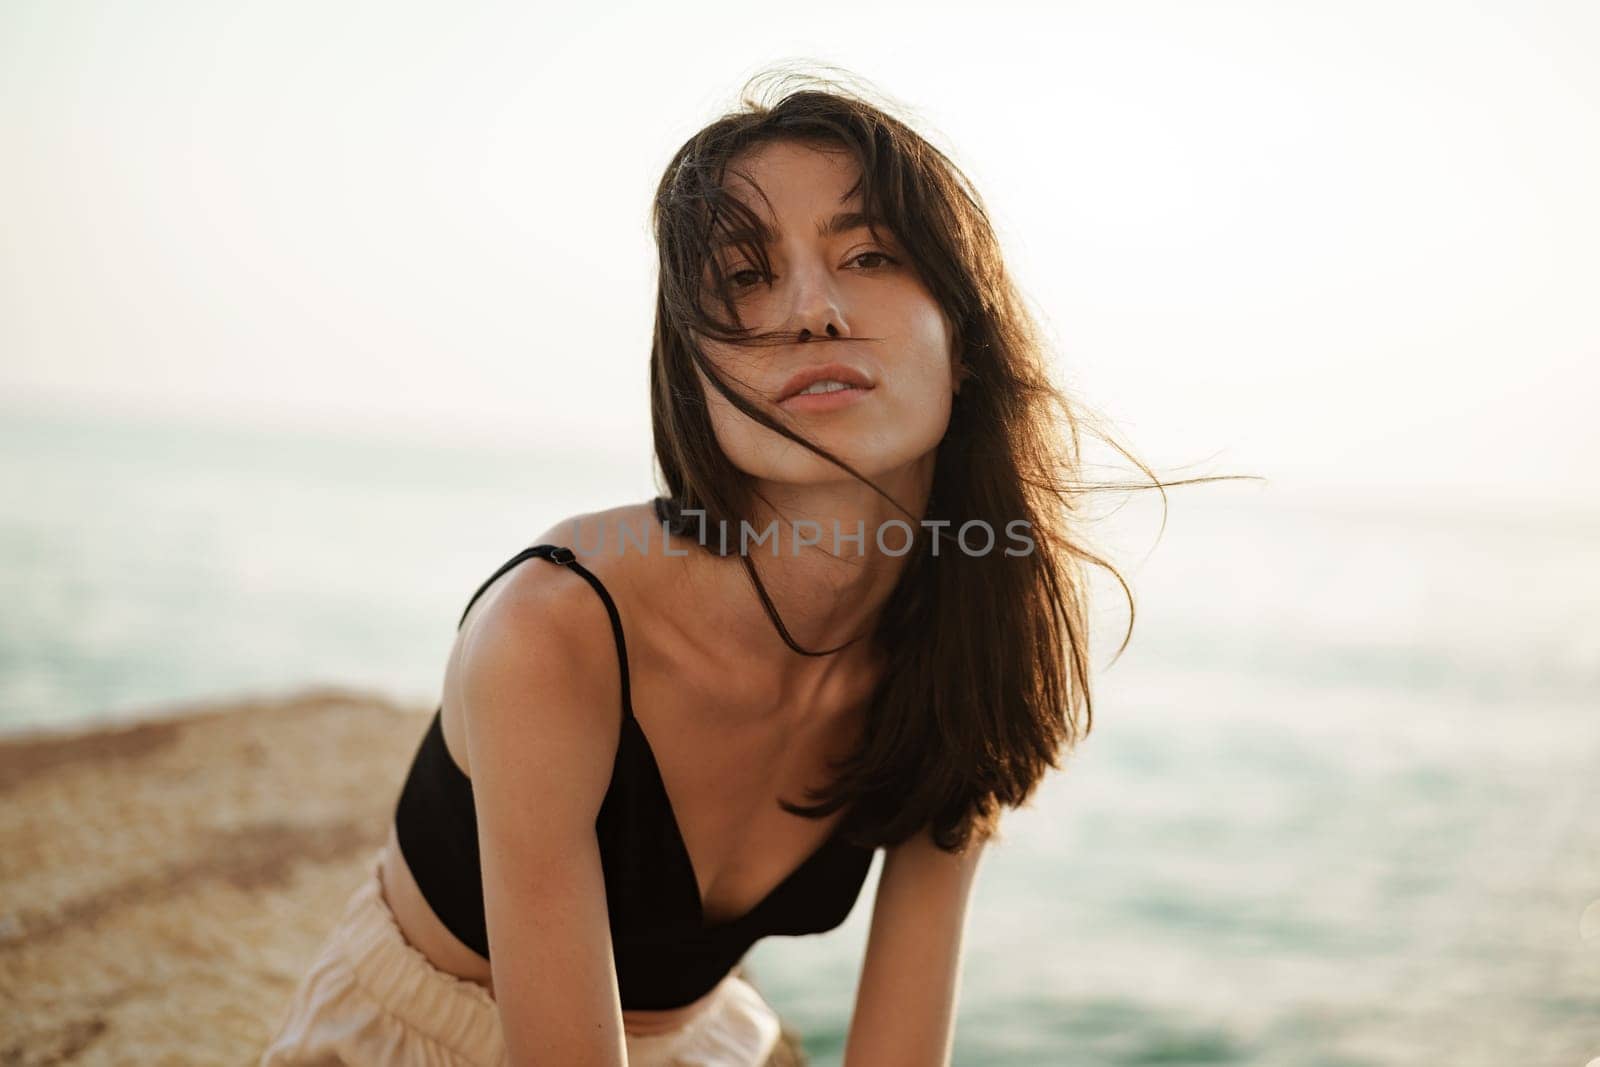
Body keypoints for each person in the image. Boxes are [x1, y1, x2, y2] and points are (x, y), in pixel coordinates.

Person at [260, 67, 1170, 1067]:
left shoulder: (967, 631)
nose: (811, 310)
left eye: (867, 253)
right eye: (744, 275)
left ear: (963, 338)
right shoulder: (556, 628)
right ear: (694, 378)